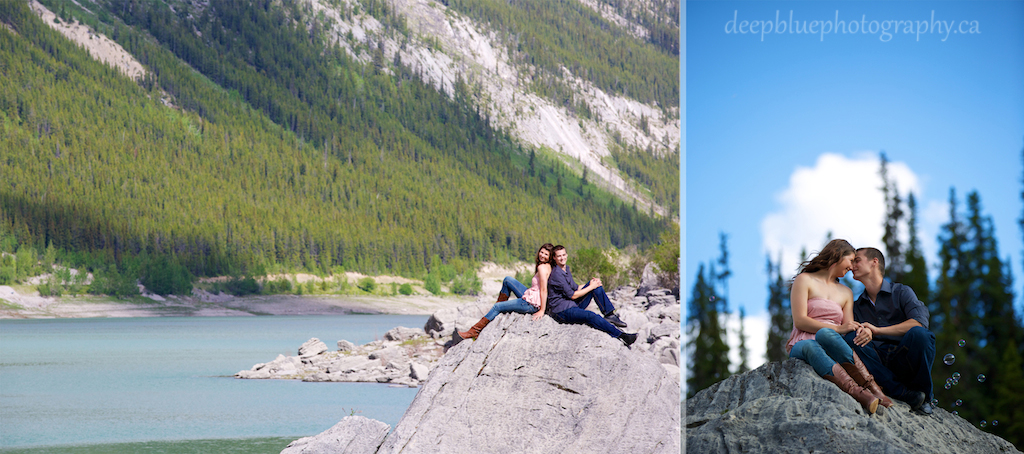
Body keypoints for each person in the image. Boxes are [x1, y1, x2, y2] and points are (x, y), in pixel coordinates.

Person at [786, 239, 888, 415]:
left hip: (830, 342)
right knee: (814, 342)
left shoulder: (846, 292)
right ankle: (858, 393)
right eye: (851, 260)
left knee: (826, 334)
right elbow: (800, 321)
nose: (852, 267)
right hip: (803, 343)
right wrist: (838, 329)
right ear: (838, 255)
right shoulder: (804, 280)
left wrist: (862, 330)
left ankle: (874, 388)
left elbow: (847, 326)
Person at [845, 247, 935, 415]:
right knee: (851, 338)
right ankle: (902, 394)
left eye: (857, 260)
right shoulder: (856, 307)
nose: (851, 266)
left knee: (920, 334)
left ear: (874, 262)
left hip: (906, 361)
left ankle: (924, 397)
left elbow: (919, 323)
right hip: (878, 367)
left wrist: (877, 331)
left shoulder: (902, 292)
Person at [451, 244, 555, 345]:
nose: (542, 255)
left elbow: (544, 290)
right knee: (507, 280)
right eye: (541, 252)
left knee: (497, 306)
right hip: (531, 295)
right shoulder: (547, 266)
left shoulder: (542, 267)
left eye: (546, 254)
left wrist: (542, 310)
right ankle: (499, 310)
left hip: (531, 304)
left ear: (550, 257)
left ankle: (475, 331)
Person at [545, 245, 637, 346]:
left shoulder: (565, 269)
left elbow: (575, 287)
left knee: (595, 286)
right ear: (554, 258)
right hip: (561, 311)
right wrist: (590, 287)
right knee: (591, 316)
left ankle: (609, 314)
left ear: (567, 255)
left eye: (563, 255)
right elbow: (573, 295)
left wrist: (593, 283)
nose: (562, 258)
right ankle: (622, 336)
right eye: (559, 256)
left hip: (571, 304)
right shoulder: (557, 274)